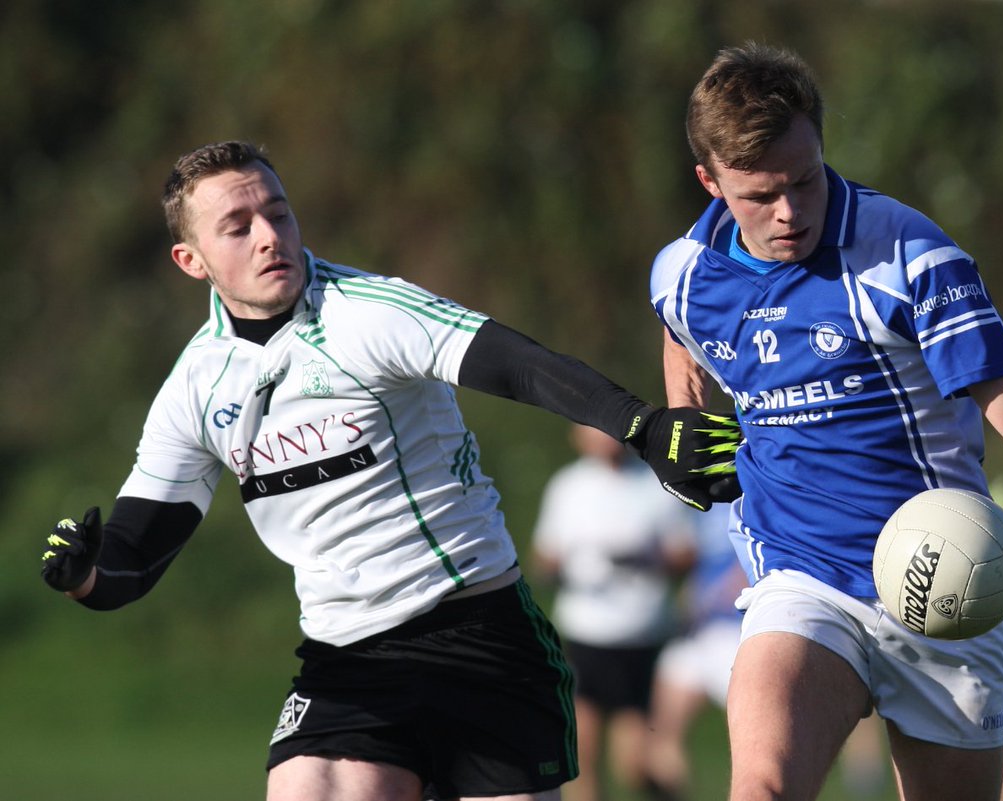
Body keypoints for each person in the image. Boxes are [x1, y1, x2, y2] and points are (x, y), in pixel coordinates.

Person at [37, 141, 742, 801]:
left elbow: (517, 364)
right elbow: (135, 551)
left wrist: (641, 426)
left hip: (478, 633)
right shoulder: (195, 386)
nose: (267, 235)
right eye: (237, 225)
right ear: (191, 260)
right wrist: (88, 573)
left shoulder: (366, 313)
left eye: (277, 212)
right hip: (347, 660)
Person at [647, 44, 1003, 801]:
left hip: (948, 587)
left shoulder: (907, 255)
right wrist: (685, 422)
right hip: (800, 582)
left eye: (805, 180)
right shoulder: (684, 271)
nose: (789, 212)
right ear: (710, 182)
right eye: (760, 194)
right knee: (761, 788)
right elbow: (679, 327)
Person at [532, 423, 698, 801]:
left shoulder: (654, 484)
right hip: (586, 629)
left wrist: (646, 557)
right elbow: (545, 554)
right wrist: (562, 567)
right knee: (582, 750)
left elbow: (686, 552)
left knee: (636, 762)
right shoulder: (567, 486)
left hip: (643, 630)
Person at [643, 501, 745, 801]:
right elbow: (698, 561)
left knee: (753, 743)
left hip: (740, 632)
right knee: (664, 732)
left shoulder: (759, 488)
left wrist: (715, 596)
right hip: (699, 633)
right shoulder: (702, 499)